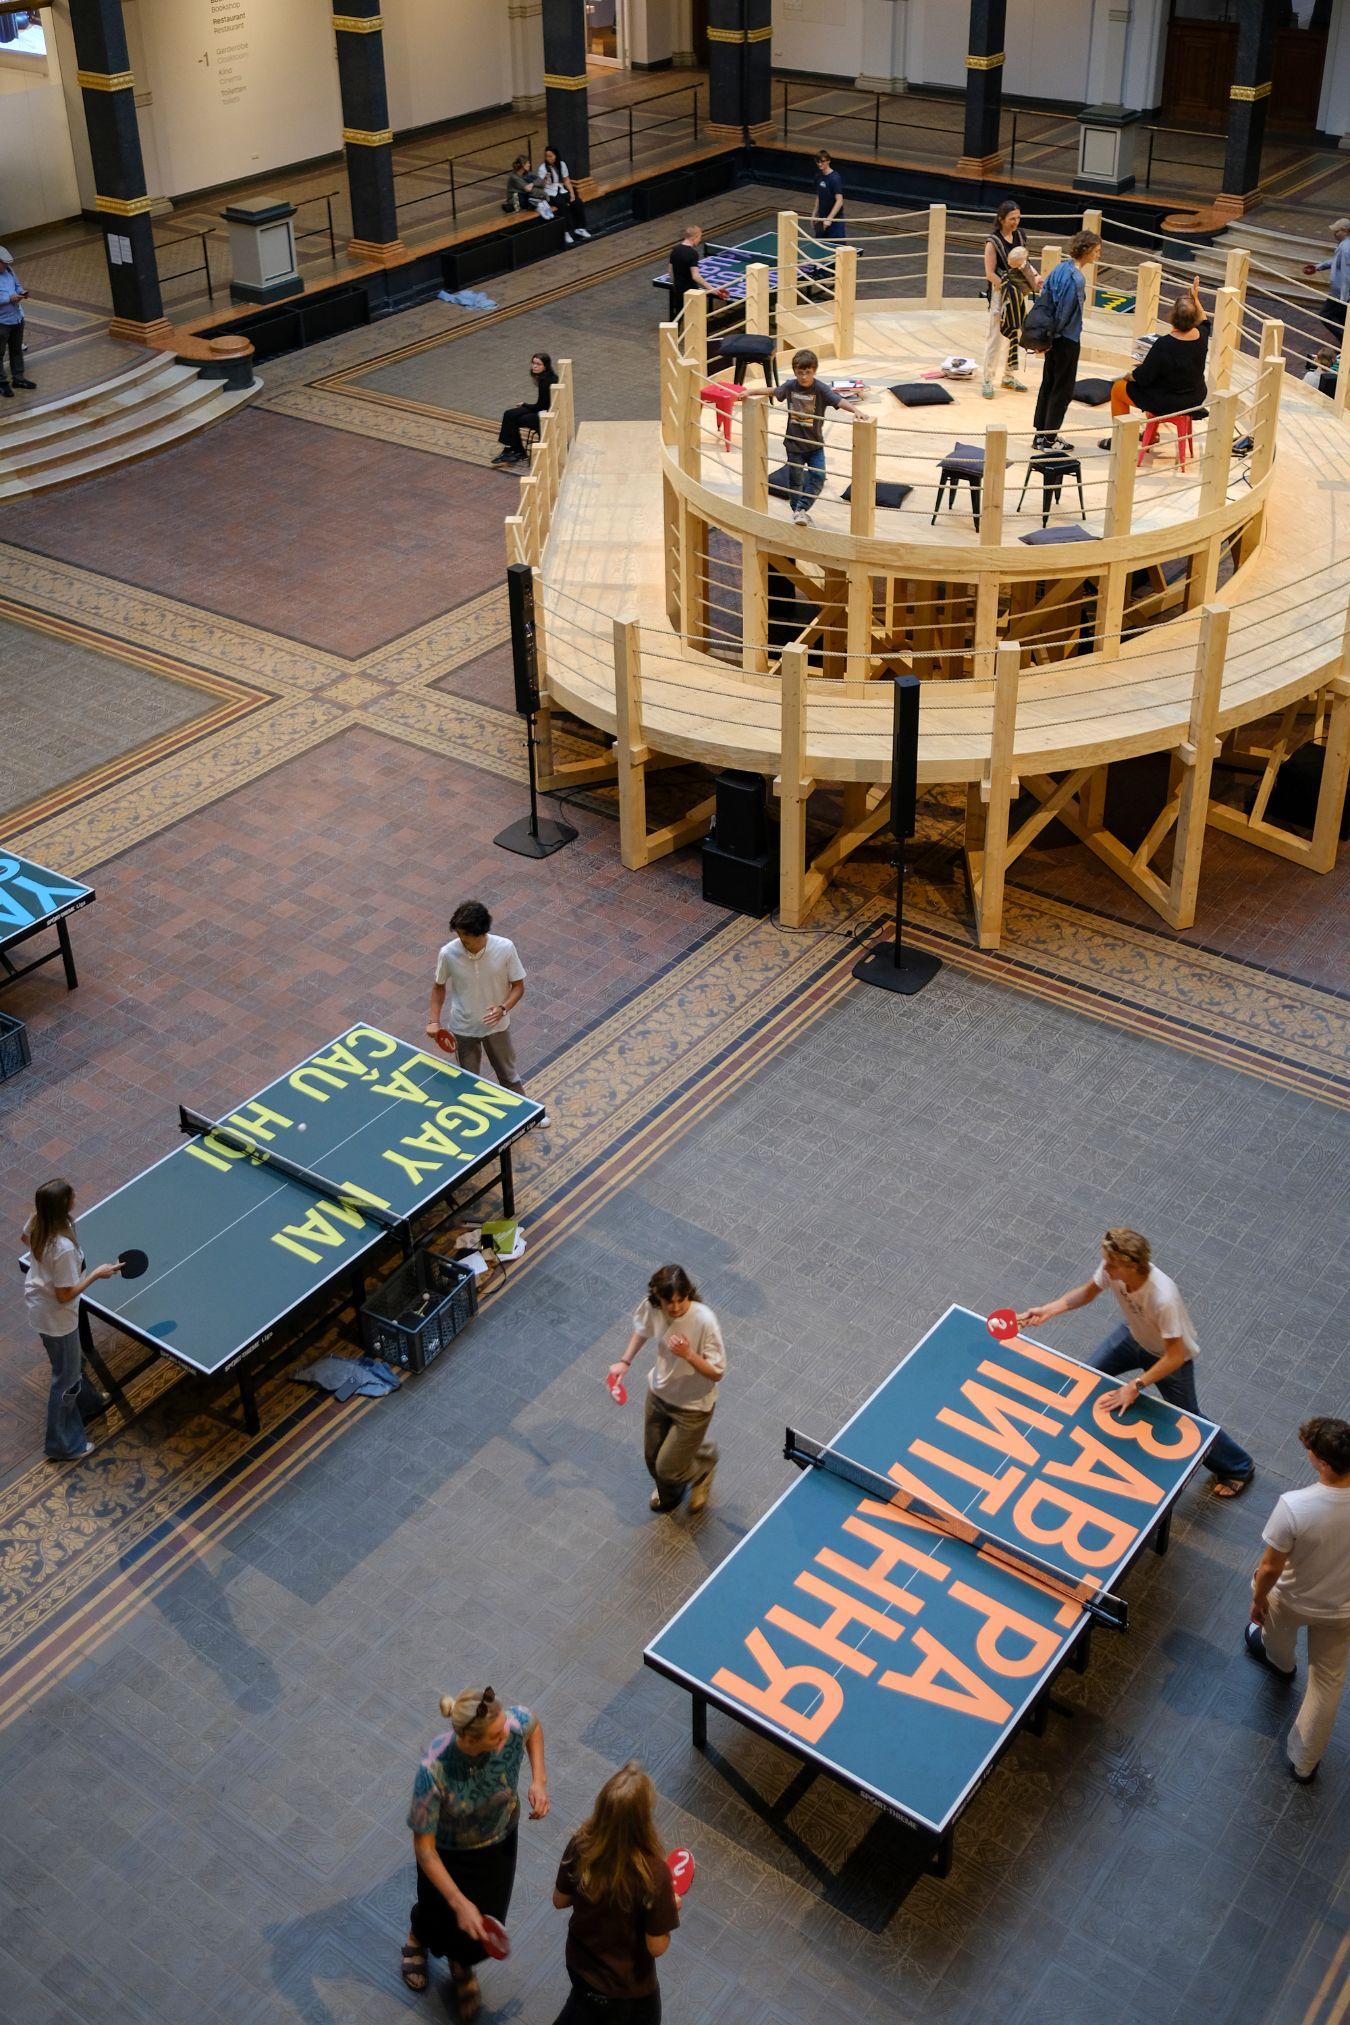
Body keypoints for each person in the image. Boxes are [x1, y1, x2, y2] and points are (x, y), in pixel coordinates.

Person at [1017, 1226, 1256, 1498]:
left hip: (1169, 1358)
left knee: (1189, 1421)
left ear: (1131, 1266)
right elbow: (1087, 1292)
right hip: (1133, 1337)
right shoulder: (1112, 1269)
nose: (1105, 1267)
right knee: (1088, 1378)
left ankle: (1239, 1467)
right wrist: (1047, 1310)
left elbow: (1175, 1355)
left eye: (1111, 1264)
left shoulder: (1163, 1297)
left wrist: (1135, 1385)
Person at [403, 1686, 549, 2014]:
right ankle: (417, 1936)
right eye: (496, 1736)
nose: (506, 1738)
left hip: (500, 1839)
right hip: (448, 1853)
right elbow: (424, 1851)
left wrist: (539, 1780)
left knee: (483, 1914)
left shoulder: (510, 1725)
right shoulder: (433, 1770)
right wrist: (458, 1900)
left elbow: (533, 1726)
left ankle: (462, 1964)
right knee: (438, 1908)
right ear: (468, 1739)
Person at [1245, 1417, 1350, 1784]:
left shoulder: (1294, 1507)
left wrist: (1258, 1599)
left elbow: (1270, 1568)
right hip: (1343, 1610)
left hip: (1291, 1600)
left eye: (1310, 1451)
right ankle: (1304, 1764)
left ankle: (1281, 1664)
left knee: (1275, 1636)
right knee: (1327, 1683)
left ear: (1323, 1463)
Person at [551, 1761, 680, 2023]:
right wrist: (669, 1908)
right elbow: (656, 1946)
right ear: (643, 1820)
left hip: (580, 1967)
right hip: (627, 1991)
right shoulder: (654, 1873)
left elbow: (559, 1900)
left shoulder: (581, 1844)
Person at [608, 1263, 726, 1515]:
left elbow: (717, 1372)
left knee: (668, 1469)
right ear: (658, 1298)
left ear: (688, 1294)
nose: (675, 1307)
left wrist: (688, 1354)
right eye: (668, 1302)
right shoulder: (653, 1308)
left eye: (681, 1300)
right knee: (653, 1460)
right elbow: (642, 1329)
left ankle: (703, 1465)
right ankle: (670, 1496)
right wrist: (625, 1362)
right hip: (659, 1396)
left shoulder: (704, 1320)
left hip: (693, 1408)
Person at [20, 1178, 121, 1461]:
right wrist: (96, 1274)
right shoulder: (62, 1248)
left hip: (43, 1308)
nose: (76, 1196)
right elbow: (65, 1295)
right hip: (57, 1318)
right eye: (71, 1195)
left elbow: (25, 1239)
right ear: (64, 1203)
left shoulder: (40, 1221)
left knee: (71, 1363)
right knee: (65, 1381)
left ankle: (89, 1404)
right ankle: (63, 1444)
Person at [426, 899, 547, 1124]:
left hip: (497, 1027)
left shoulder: (505, 948)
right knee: (468, 1081)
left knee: (508, 1075)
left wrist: (503, 1008)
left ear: (482, 933)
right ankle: (474, 1124)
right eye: (459, 935)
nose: (461, 941)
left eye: (466, 937)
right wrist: (434, 1020)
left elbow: (518, 986)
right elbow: (438, 987)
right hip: (463, 1028)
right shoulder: (448, 953)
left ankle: (528, 1117)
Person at [742, 346, 860, 528]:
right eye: (800, 373)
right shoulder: (791, 386)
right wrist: (750, 391)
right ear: (795, 372)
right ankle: (798, 513)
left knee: (819, 476)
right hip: (794, 446)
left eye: (808, 372)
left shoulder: (820, 388)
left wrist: (856, 410)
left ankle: (801, 509)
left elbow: (839, 400)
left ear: (814, 371)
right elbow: (774, 390)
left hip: (815, 446)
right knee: (795, 482)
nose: (804, 377)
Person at [1097, 276, 1209, 452]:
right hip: (1194, 397)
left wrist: (1128, 376)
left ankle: (1121, 441)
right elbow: (1205, 319)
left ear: (1173, 317)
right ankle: (1151, 433)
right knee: (1155, 384)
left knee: (1118, 389)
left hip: (1168, 401)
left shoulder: (1164, 344)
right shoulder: (1202, 335)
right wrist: (1195, 297)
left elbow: (1143, 377)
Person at [1031, 229, 1101, 453]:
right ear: (1087, 251)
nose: (1098, 255)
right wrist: (1052, 337)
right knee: (1063, 389)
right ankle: (1050, 439)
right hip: (1066, 340)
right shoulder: (1077, 279)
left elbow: (1046, 297)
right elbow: (1065, 315)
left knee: (1048, 384)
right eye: (1096, 251)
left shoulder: (1060, 268)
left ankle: (1040, 436)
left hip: (1052, 338)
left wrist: (1045, 338)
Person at [982, 200, 1039, 398]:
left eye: (1018, 218)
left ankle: (1008, 376)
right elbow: (990, 274)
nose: (1016, 222)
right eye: (1012, 219)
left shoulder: (1020, 236)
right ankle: (987, 380)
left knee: (1014, 334)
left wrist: (1035, 278)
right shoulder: (993, 242)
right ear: (1001, 219)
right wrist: (1007, 289)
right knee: (995, 337)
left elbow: (1024, 263)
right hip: (1001, 294)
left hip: (1017, 294)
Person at [492, 351, 558, 468]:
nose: (534, 366)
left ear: (545, 366)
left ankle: (515, 450)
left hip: (545, 415)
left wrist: (525, 405)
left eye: (538, 364)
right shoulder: (548, 377)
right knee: (509, 414)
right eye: (533, 363)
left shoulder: (545, 381)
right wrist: (525, 406)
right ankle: (512, 449)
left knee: (516, 419)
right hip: (543, 410)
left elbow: (541, 407)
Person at [665, 224, 729, 325]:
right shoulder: (693, 253)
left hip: (678, 289)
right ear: (694, 237)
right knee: (696, 316)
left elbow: (670, 271)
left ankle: (673, 332)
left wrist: (675, 284)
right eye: (699, 237)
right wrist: (712, 289)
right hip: (691, 291)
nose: (700, 240)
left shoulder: (675, 249)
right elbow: (695, 276)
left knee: (679, 315)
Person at [1303, 216, 1350, 340]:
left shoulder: (1345, 248)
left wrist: (1344, 297)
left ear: (1346, 231)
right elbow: (1336, 261)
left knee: (1326, 315)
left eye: (1337, 231)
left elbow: (1347, 274)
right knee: (1342, 318)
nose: (1334, 234)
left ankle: (1346, 342)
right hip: (1342, 293)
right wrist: (1318, 267)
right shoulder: (1344, 245)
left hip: (1340, 293)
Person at [998, 245, 1036, 393]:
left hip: (1017, 303)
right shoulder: (1009, 277)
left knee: (1013, 340)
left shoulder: (1024, 268)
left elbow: (1035, 283)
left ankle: (1008, 377)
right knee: (997, 344)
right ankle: (988, 380)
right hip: (1003, 304)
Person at [0, 245, 36, 396]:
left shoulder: (9, 271)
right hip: (2, 322)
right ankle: (2, 383)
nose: (6, 266)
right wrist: (9, 299)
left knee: (16, 350)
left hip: (16, 319)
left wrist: (21, 292)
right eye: (4, 263)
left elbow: (17, 285)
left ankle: (18, 378)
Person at [536, 147, 591, 246]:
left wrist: (572, 193)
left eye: (551, 156)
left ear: (556, 155)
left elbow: (566, 180)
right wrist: (545, 178)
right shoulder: (542, 168)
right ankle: (566, 231)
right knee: (562, 205)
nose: (549, 158)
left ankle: (580, 228)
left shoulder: (562, 164)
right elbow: (540, 186)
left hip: (561, 189)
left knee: (577, 202)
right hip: (549, 192)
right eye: (547, 156)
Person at [811, 151, 845, 240]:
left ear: (828, 161)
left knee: (837, 246)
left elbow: (839, 201)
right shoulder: (818, 175)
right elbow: (819, 195)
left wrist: (829, 218)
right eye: (818, 162)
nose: (820, 164)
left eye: (822, 161)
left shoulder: (835, 178)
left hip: (835, 219)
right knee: (819, 244)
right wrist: (814, 213)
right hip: (821, 217)